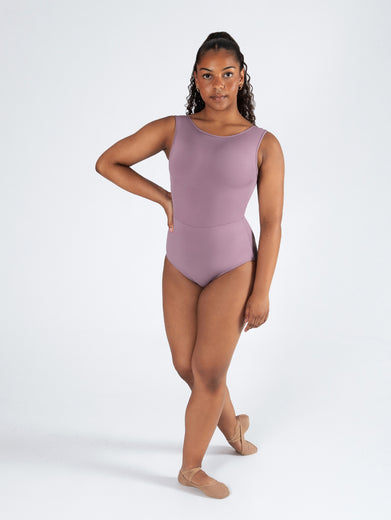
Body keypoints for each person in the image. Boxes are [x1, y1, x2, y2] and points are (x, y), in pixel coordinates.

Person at [95, 31, 285, 499]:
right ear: (196, 80)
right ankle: (234, 430)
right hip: (180, 262)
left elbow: (272, 222)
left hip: (233, 266)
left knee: (209, 373)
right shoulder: (173, 129)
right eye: (207, 75)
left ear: (241, 77)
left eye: (227, 74)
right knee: (188, 367)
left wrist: (261, 290)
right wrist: (163, 198)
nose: (217, 84)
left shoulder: (263, 143)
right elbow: (108, 162)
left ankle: (191, 468)